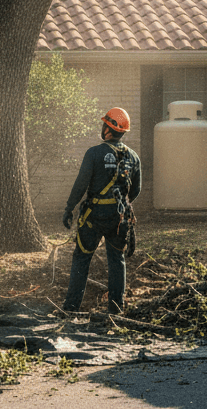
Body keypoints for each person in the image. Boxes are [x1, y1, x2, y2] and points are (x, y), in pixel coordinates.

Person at [61, 106, 142, 315]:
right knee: (117, 260)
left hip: (93, 217)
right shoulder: (133, 157)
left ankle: (71, 309)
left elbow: (81, 184)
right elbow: (136, 190)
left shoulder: (94, 153)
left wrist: (69, 208)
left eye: (103, 124)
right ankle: (116, 310)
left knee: (81, 258)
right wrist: (119, 205)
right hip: (119, 218)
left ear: (108, 128)